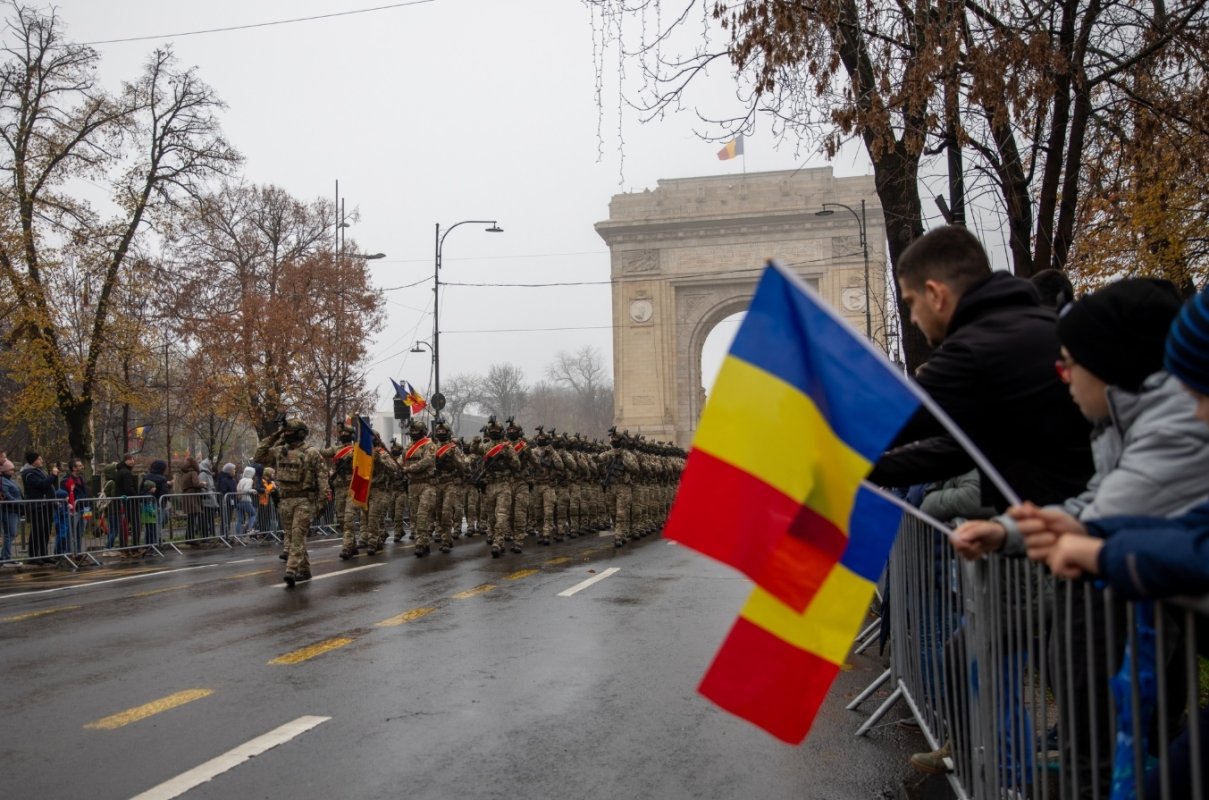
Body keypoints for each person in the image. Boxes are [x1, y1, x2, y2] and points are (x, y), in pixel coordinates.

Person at [869, 225, 1093, 510]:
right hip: (1081, 524)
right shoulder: (1032, 327)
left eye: (912, 303)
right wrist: (864, 469)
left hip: (1069, 532)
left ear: (935, 294)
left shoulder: (974, 349)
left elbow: (889, 422)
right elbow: (959, 450)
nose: (912, 318)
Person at [254, 419, 324, 586]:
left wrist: (320, 504)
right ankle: (305, 570)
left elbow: (322, 480)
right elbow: (259, 455)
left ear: (300, 433)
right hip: (285, 501)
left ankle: (291, 569)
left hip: (304, 500)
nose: (287, 435)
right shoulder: (280, 451)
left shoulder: (312, 453)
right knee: (292, 537)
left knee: (298, 535)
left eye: (289, 431)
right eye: (285, 432)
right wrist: (277, 434)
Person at [478, 416, 521, 558]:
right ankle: (499, 542)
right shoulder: (485, 447)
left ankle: (498, 542)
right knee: (492, 517)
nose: (494, 431)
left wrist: (506, 457)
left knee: (501, 515)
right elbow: (480, 464)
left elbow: (517, 465)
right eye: (492, 430)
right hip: (490, 485)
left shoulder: (507, 447)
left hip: (503, 485)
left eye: (496, 429)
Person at [400, 419, 438, 558]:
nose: (414, 433)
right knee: (414, 517)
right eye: (412, 431)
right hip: (412, 485)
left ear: (422, 432)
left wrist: (409, 469)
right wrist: (398, 469)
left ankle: (421, 543)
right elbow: (401, 462)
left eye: (416, 431)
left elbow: (427, 461)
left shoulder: (429, 445)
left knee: (423, 515)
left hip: (426, 484)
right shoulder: (408, 447)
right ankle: (422, 541)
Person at [431, 417, 466, 554]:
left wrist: (453, 457)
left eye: (442, 431)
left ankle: (446, 539)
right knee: (438, 513)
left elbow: (463, 466)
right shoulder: (432, 447)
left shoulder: (453, 448)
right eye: (438, 431)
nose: (440, 433)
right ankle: (444, 535)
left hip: (449, 484)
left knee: (446, 512)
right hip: (436, 484)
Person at [20, 451, 57, 562]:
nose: (42, 461)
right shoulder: (29, 474)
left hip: (46, 505)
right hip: (38, 506)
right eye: (39, 459)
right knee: (37, 531)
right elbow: (42, 485)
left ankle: (43, 554)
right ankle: (34, 556)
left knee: (46, 530)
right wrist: (53, 476)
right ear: (34, 461)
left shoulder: (39, 471)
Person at [61, 458, 91, 553]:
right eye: (79, 466)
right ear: (74, 468)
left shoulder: (81, 478)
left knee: (81, 533)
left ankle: (79, 553)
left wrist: (89, 506)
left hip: (85, 508)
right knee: (71, 532)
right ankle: (71, 553)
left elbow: (85, 493)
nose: (82, 467)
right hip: (74, 510)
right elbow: (64, 495)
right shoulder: (66, 480)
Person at [140, 459, 171, 546]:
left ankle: (149, 543)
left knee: (149, 525)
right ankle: (156, 542)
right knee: (158, 523)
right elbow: (165, 493)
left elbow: (141, 489)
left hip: (147, 504)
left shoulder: (146, 477)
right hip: (158, 504)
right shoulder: (162, 479)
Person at [0, 459, 22, 563]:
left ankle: (4, 555)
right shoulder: (3, 481)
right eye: (10, 470)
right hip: (8, 510)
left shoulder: (11, 481)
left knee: (11, 534)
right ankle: (6, 557)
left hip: (14, 509)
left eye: (13, 470)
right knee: (10, 533)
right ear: (4, 471)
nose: (12, 472)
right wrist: (18, 502)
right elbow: (6, 495)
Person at [234, 466, 257, 537]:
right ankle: (250, 529)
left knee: (239, 519)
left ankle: (238, 536)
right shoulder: (250, 480)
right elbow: (246, 490)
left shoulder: (241, 480)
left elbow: (238, 488)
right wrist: (253, 490)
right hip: (246, 500)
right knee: (253, 514)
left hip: (238, 501)